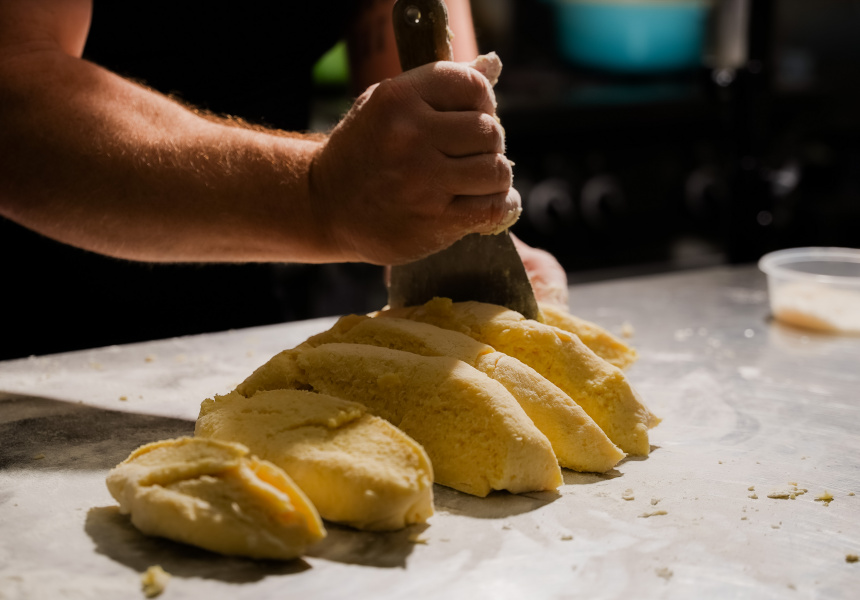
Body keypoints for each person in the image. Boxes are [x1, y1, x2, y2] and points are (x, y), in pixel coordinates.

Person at [0, 0, 566, 359]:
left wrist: (455, 213)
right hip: (42, 330)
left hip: (265, 328)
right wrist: (319, 195)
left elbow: (419, 54)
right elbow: (12, 91)